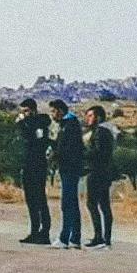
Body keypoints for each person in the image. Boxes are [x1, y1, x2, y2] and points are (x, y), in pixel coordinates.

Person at [16, 100, 53, 243]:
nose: (24, 114)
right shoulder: (27, 125)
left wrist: (22, 124)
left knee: (40, 199)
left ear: (33, 110)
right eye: (23, 111)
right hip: (27, 164)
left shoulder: (40, 124)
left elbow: (35, 141)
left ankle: (44, 232)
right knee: (30, 200)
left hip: (38, 165)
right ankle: (34, 231)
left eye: (26, 111)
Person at [85, 107, 119, 248]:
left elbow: (98, 152)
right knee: (104, 205)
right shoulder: (107, 131)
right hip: (104, 172)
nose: (88, 119)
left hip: (97, 171)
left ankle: (99, 236)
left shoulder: (100, 132)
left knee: (93, 204)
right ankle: (106, 238)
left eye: (90, 116)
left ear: (98, 117)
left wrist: (83, 153)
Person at [55, 102, 86, 248]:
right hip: (69, 168)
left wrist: (56, 155)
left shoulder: (69, 126)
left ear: (60, 111)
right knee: (71, 203)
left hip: (69, 168)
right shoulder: (69, 125)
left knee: (67, 203)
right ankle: (74, 238)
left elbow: (68, 149)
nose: (52, 115)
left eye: (54, 111)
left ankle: (65, 238)